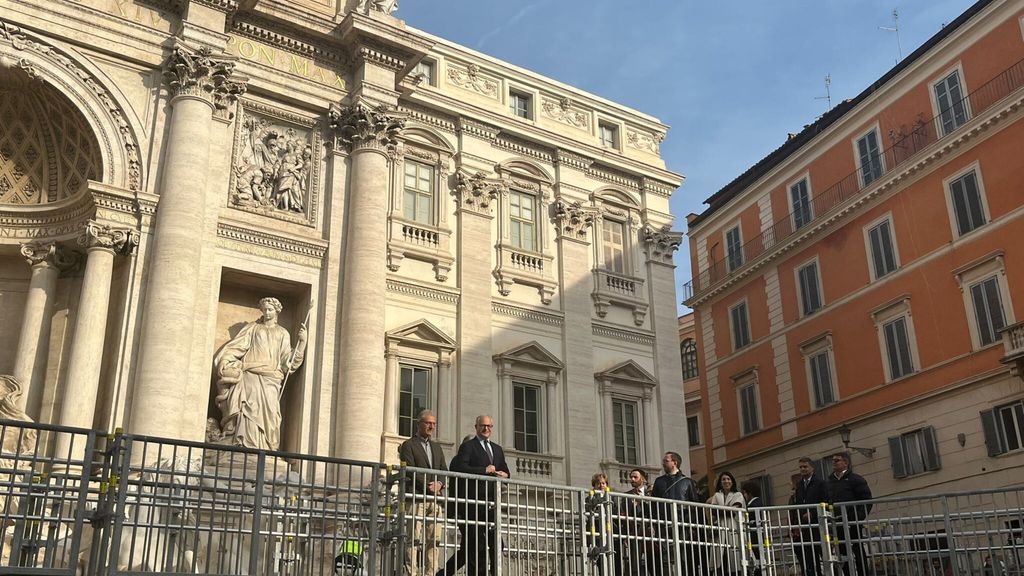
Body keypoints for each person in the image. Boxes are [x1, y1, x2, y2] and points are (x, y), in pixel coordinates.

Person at [213, 297, 306, 450]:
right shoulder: (253, 328)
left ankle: (264, 448)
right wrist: (226, 361)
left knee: (270, 413)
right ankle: (241, 443)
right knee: (246, 409)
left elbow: (287, 362)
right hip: (249, 374)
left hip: (271, 378)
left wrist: (302, 343)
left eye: (270, 309)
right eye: (264, 310)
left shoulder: (283, 333)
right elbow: (238, 347)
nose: (267, 313)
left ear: (277, 311)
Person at [440, 415, 510, 576]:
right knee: (475, 547)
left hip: (491, 504)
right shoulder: (468, 447)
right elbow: (460, 469)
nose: (486, 429)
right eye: (483, 426)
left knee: (494, 544)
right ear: (476, 427)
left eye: (489, 426)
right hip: (471, 506)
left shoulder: (497, 449)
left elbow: (506, 471)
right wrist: (483, 471)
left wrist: (504, 475)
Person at [399, 410, 448, 576]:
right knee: (413, 538)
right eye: (428, 423)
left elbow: (443, 469)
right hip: (416, 498)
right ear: (418, 423)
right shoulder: (408, 445)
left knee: (434, 540)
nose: (431, 426)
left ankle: (430, 573)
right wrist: (429, 485)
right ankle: (411, 572)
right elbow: (410, 470)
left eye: (433, 423)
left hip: (435, 500)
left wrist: (440, 483)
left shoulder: (436, 447)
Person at [652, 452, 702, 575]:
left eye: (666, 460)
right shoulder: (659, 481)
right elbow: (653, 504)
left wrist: (694, 525)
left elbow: (695, 505)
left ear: (675, 462)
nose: (663, 462)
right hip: (663, 524)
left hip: (683, 525)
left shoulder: (688, 482)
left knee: (683, 557)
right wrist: (653, 523)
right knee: (665, 558)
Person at [827, 453, 872, 576]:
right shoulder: (829, 482)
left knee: (857, 549)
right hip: (837, 522)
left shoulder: (855, 479)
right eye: (833, 461)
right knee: (841, 551)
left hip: (852, 521)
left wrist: (858, 516)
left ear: (845, 463)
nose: (834, 463)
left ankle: (863, 573)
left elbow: (866, 499)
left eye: (837, 460)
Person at [793, 457, 829, 576]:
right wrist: (796, 523)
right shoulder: (799, 485)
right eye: (800, 467)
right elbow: (797, 505)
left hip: (819, 525)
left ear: (812, 468)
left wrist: (813, 513)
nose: (802, 469)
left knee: (824, 555)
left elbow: (826, 501)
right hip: (805, 528)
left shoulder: (821, 483)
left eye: (805, 467)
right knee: (809, 558)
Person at [615, 469, 654, 576]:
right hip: (634, 533)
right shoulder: (626, 496)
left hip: (651, 532)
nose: (632, 479)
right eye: (631, 477)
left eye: (635, 477)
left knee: (654, 564)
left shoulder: (651, 493)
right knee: (634, 565)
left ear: (643, 478)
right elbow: (623, 514)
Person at [711, 471, 745, 575]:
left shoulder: (738, 495)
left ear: (732, 481)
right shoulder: (716, 495)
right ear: (720, 482)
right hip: (720, 528)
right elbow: (713, 510)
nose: (726, 481)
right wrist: (727, 510)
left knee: (736, 555)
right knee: (720, 555)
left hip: (734, 527)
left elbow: (735, 509)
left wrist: (721, 510)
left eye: (728, 479)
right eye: (723, 479)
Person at [741, 480, 765, 576]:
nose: (744, 496)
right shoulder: (759, 502)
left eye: (744, 493)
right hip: (758, 536)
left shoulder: (753, 505)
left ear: (749, 493)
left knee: (757, 559)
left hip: (755, 536)